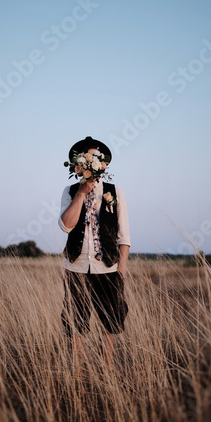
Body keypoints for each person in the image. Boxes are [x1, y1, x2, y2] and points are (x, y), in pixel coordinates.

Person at [58, 136, 131, 374]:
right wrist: (81, 193)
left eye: (97, 158)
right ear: (78, 165)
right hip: (76, 265)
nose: (93, 162)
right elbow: (66, 226)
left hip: (108, 267)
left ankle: (105, 371)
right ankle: (78, 373)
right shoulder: (69, 191)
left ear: (104, 165)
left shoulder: (115, 192)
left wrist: (120, 271)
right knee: (75, 322)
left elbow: (124, 236)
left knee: (110, 321)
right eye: (88, 157)